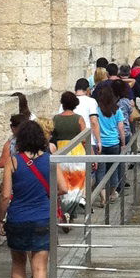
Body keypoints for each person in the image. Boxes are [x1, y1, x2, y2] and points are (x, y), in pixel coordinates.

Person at [0, 119, 68, 278]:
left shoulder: (13, 161)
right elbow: (63, 188)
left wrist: (0, 218)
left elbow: (5, 195)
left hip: (18, 218)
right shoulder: (49, 159)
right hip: (42, 218)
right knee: (39, 267)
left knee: (18, 264)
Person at [52, 90, 89, 221]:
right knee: (78, 183)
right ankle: (70, 211)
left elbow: (53, 137)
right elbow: (84, 139)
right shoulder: (79, 119)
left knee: (64, 183)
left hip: (61, 151)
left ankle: (66, 212)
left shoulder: (55, 119)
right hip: (77, 152)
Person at [94, 80, 128, 195]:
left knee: (101, 171)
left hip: (101, 144)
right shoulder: (117, 110)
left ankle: (103, 197)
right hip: (114, 143)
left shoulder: (97, 110)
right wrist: (123, 144)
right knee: (113, 170)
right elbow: (121, 129)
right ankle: (113, 193)